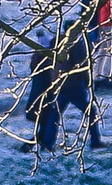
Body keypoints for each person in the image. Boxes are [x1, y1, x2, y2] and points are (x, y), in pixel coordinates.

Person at [24, 21, 103, 152]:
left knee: (54, 116)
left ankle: (48, 144)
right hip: (73, 84)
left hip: (57, 84)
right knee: (90, 112)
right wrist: (89, 81)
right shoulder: (75, 44)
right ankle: (95, 141)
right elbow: (81, 65)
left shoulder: (55, 41)